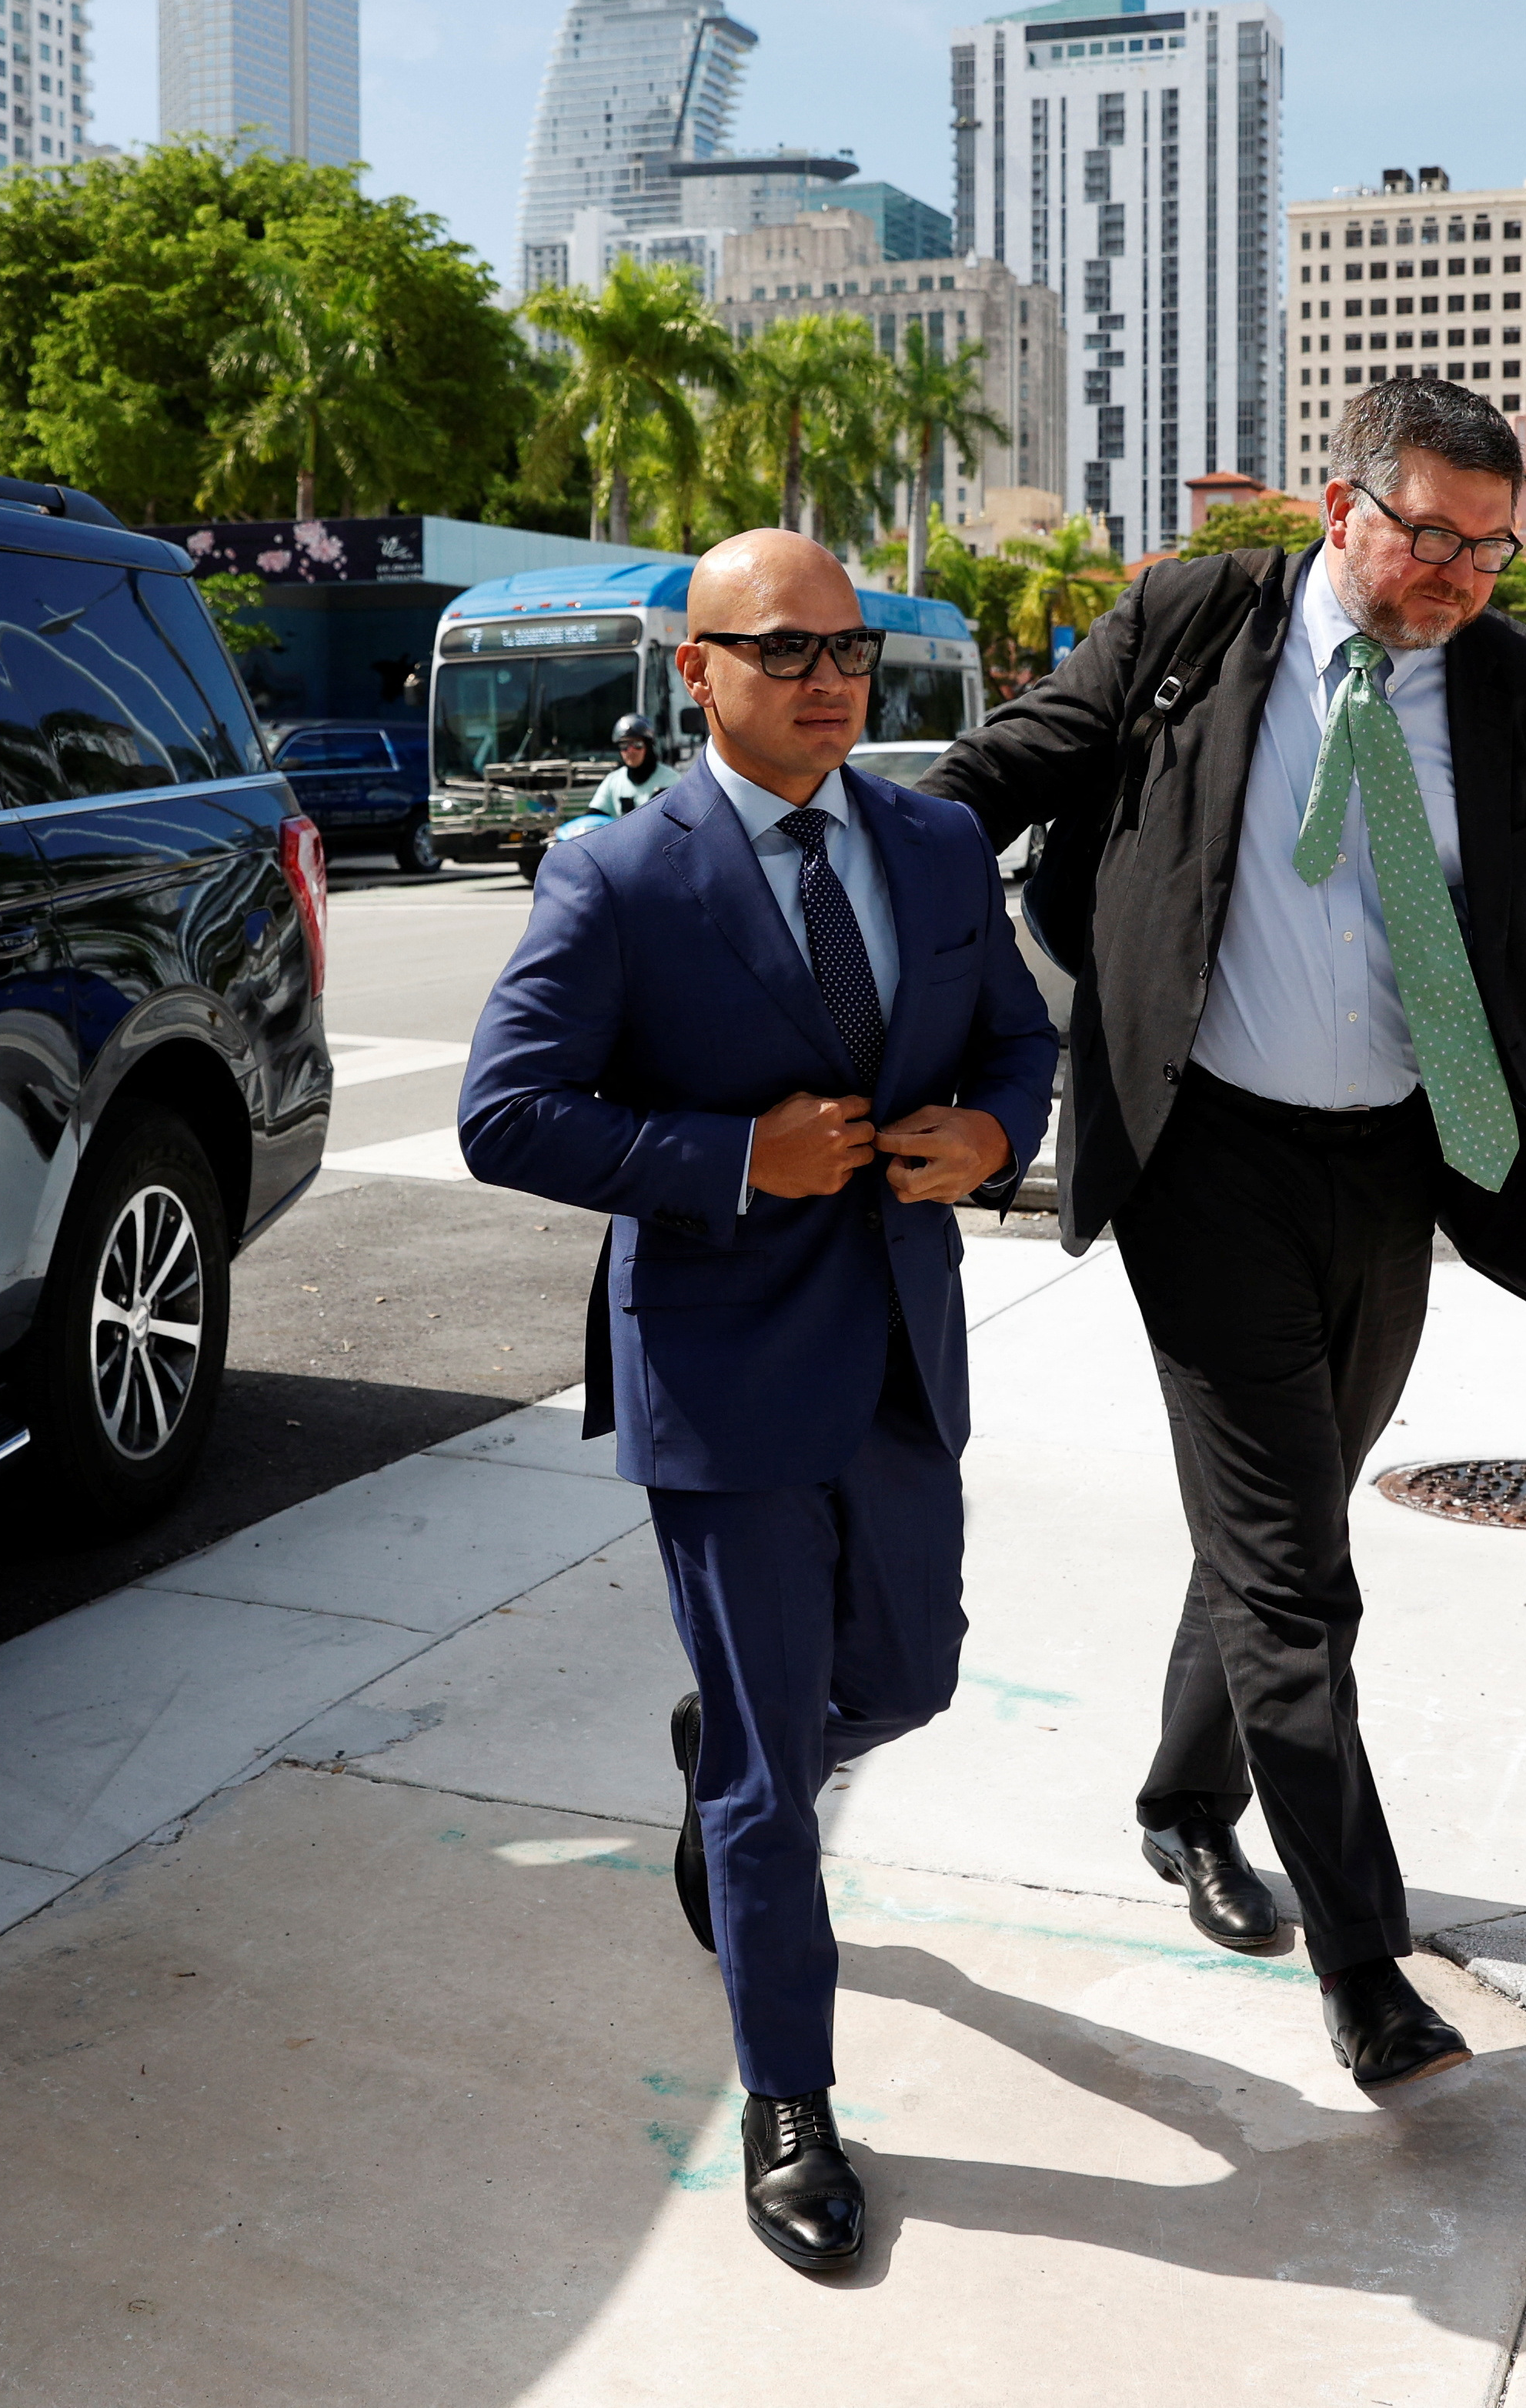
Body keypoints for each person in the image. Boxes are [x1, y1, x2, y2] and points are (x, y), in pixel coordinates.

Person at [920, 376, 1526, 2094]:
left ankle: (1186, 1795)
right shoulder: (1198, 618)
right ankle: (1366, 1962)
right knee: (1295, 1572)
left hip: (1403, 1164)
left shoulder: (1524, 697)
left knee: (1283, 1506)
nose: (1458, 575)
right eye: (1430, 535)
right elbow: (1027, 757)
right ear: (1338, 505)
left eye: (1490, 550)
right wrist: (832, 837)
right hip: (1200, 1150)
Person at [459, 529, 1057, 2276]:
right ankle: (787, 2096)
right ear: (696, 672)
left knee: (908, 1676)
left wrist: (991, 1135)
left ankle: (730, 1745)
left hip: (893, 1348)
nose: (824, 676)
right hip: (718, 1371)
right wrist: (735, 1156)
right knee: (772, 1792)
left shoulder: (939, 840)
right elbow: (510, 1113)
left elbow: (1013, 1040)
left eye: (846, 648)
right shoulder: (617, 877)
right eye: (780, 647)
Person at [585, 712, 677, 818]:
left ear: (649, 747)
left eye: (637, 744)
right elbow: (592, 818)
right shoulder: (613, 781)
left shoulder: (672, 780)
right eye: (624, 746)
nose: (630, 751)